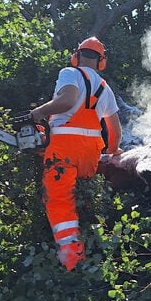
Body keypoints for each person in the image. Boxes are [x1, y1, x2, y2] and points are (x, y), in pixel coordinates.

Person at [30, 37, 122, 271]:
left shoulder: (70, 73)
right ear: (101, 62)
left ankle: (72, 260)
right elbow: (115, 132)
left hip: (64, 147)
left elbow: (67, 100)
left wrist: (39, 112)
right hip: (90, 153)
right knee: (82, 192)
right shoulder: (105, 87)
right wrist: (112, 151)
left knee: (59, 199)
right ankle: (95, 238)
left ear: (76, 55)